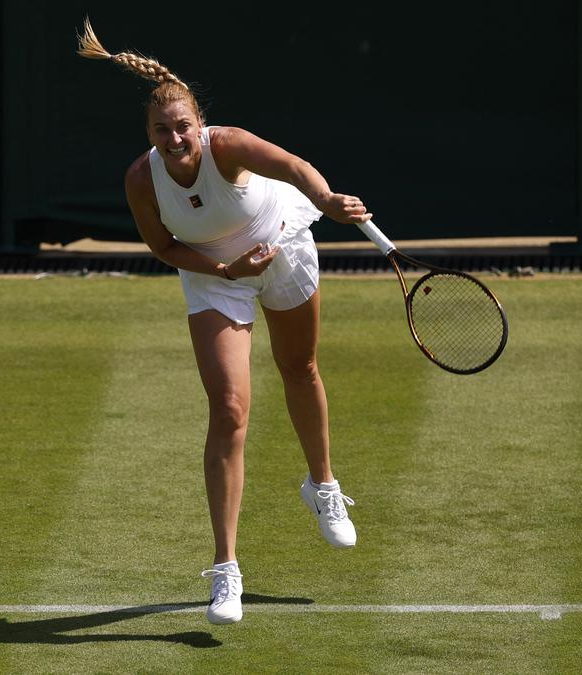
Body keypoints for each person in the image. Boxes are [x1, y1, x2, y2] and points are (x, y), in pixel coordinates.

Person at [77, 19, 372, 625]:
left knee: (301, 368)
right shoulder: (142, 179)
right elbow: (163, 248)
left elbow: (291, 165)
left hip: (283, 247)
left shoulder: (228, 143)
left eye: (183, 126)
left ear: (198, 124)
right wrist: (227, 268)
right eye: (163, 130)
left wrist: (326, 201)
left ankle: (322, 488)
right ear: (150, 134)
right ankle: (226, 572)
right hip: (215, 275)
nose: (175, 138)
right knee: (231, 410)